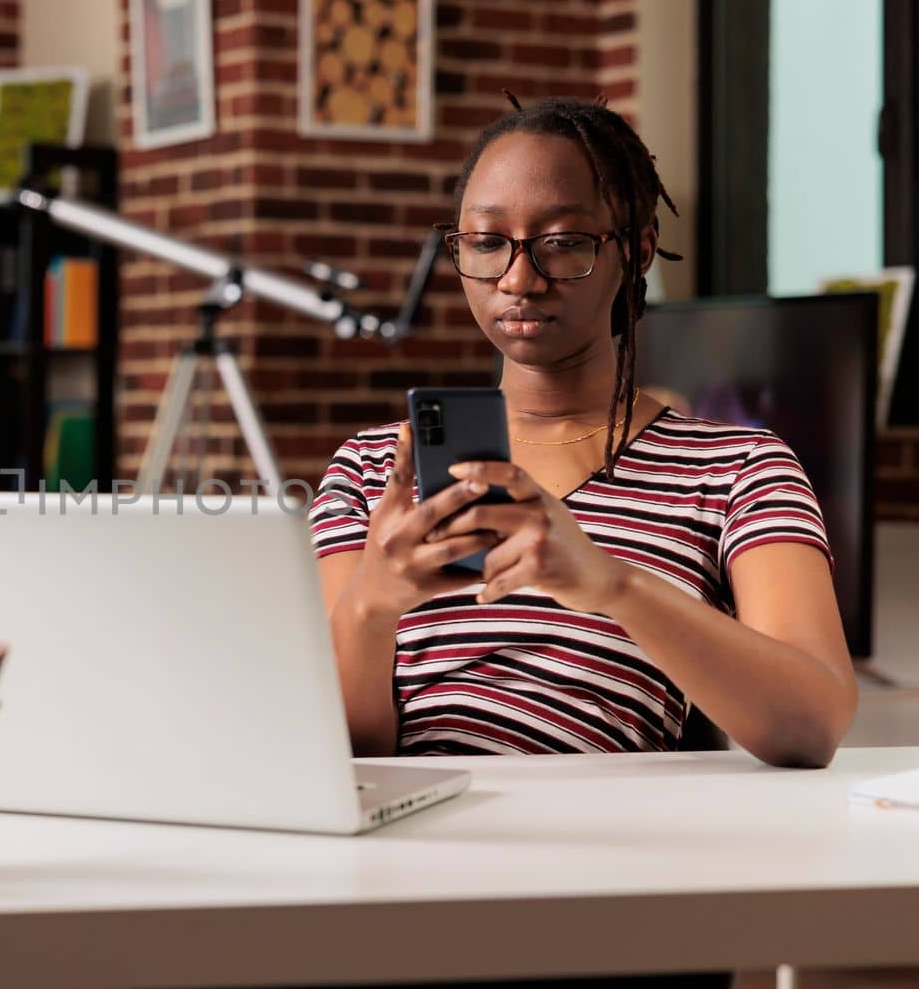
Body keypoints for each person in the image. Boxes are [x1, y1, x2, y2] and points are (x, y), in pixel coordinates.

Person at [311, 95, 857, 770]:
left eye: (563, 243)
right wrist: (371, 603)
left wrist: (610, 584)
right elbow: (344, 759)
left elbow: (814, 721)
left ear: (637, 252)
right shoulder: (371, 469)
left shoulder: (737, 467)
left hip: (603, 850)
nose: (518, 278)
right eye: (486, 243)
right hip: (408, 848)